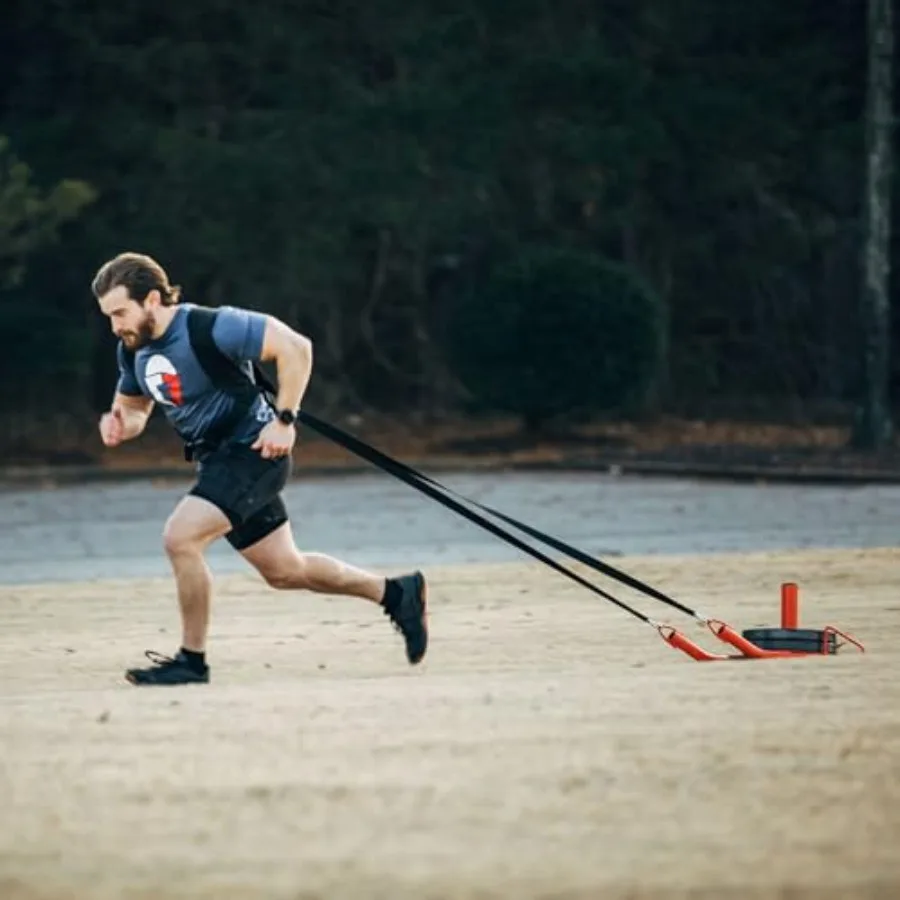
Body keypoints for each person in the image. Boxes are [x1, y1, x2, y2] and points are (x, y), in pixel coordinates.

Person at [93, 251, 428, 685]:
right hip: (218, 461)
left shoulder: (211, 325)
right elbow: (135, 408)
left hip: (253, 453)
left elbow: (296, 348)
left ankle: (191, 662)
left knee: (180, 538)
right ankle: (396, 593)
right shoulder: (132, 350)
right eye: (108, 316)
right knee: (285, 571)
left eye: (120, 312)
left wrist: (285, 420)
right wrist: (122, 424)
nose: (115, 325)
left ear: (152, 299)